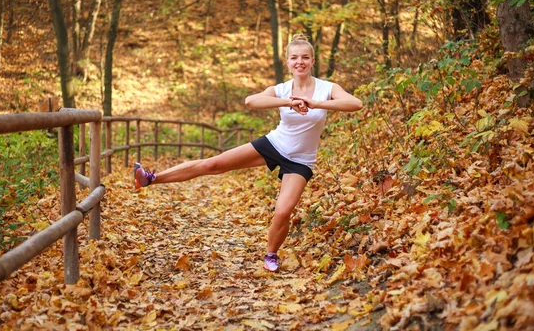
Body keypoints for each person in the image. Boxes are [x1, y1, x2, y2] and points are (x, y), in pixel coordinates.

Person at [134, 34, 363, 272]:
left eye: (305, 57)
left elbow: (355, 104)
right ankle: (151, 178)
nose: (300, 62)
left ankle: (271, 254)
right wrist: (288, 102)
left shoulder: (327, 88)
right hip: (274, 144)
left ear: (312, 60)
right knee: (214, 164)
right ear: (287, 62)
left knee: (283, 211)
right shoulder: (282, 89)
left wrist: (316, 103)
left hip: (300, 161)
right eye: (294, 58)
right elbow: (251, 101)